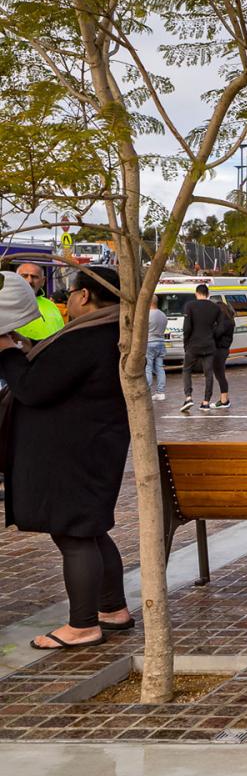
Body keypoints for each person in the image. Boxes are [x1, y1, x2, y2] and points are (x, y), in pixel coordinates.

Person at [0, 266, 133, 650]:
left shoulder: (89, 336)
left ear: (85, 296)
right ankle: (112, 609)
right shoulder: (115, 333)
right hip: (93, 447)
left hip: (71, 452)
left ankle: (83, 625)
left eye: (72, 293)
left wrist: (8, 350)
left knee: (74, 533)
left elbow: (33, 388)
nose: (69, 300)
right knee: (90, 529)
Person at [180, 283, 222, 412]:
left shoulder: (190, 306)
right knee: (208, 374)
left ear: (196, 293)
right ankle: (206, 402)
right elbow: (220, 328)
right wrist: (212, 337)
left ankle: (188, 397)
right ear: (208, 294)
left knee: (187, 370)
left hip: (193, 344)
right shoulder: (215, 308)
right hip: (209, 344)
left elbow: (187, 327)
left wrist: (186, 343)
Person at [13, 262, 65, 343]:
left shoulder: (51, 305)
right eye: (24, 276)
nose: (29, 281)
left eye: (34, 277)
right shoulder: (6, 303)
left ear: (43, 281)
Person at [211, 299, 235, 408]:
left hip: (220, 349)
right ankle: (224, 398)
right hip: (223, 349)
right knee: (220, 374)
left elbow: (217, 333)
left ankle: (224, 400)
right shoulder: (229, 320)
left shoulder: (224, 322)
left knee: (220, 374)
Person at [146, 296, 168, 401]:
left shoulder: (147, 315)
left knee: (148, 368)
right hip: (160, 342)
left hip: (149, 342)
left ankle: (147, 392)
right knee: (160, 368)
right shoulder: (163, 315)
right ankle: (161, 392)